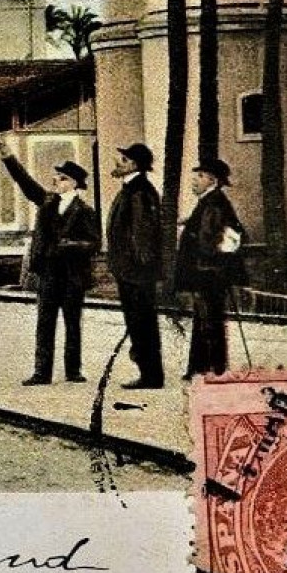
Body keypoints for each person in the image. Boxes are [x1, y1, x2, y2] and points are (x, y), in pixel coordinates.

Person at [0, 133, 100, 385]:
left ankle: (73, 371)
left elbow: (94, 243)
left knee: (73, 324)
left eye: (62, 178)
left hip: (73, 274)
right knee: (44, 323)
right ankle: (42, 372)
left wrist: (69, 246)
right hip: (49, 272)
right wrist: (5, 151)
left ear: (75, 184)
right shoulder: (47, 201)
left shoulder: (85, 212)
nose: (57, 181)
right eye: (57, 177)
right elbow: (24, 181)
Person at [177, 157, 245, 378]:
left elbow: (210, 239)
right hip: (210, 271)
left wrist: (207, 264)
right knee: (207, 320)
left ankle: (209, 369)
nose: (194, 181)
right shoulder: (211, 201)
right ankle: (206, 367)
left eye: (200, 177)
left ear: (212, 180)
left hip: (207, 272)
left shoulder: (213, 204)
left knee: (209, 320)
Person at [107, 143, 164, 389]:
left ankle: (151, 376)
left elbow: (142, 233)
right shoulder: (131, 189)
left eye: (123, 159)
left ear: (133, 165)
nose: (118, 162)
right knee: (138, 322)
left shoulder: (139, 191)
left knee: (142, 322)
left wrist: (140, 269)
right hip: (130, 270)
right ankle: (148, 373)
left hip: (136, 272)